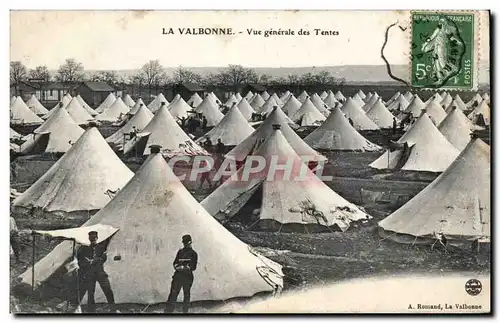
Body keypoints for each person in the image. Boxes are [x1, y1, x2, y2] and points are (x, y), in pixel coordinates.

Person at [77, 231, 115, 312]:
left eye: (94, 238)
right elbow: (80, 260)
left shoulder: (101, 248)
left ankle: (113, 309)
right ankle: (91, 311)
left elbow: (104, 258)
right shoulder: (84, 249)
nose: (93, 239)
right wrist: (88, 262)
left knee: (108, 290)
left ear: (97, 238)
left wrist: (97, 260)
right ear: (89, 239)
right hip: (90, 274)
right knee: (90, 293)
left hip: (100, 273)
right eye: (91, 238)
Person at [165, 235, 198, 313]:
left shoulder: (193, 254)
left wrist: (184, 267)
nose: (185, 244)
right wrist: (177, 267)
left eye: (186, 243)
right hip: (178, 276)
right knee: (173, 295)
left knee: (186, 296)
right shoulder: (180, 252)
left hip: (187, 277)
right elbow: (175, 263)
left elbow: (193, 267)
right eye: (184, 243)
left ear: (190, 242)